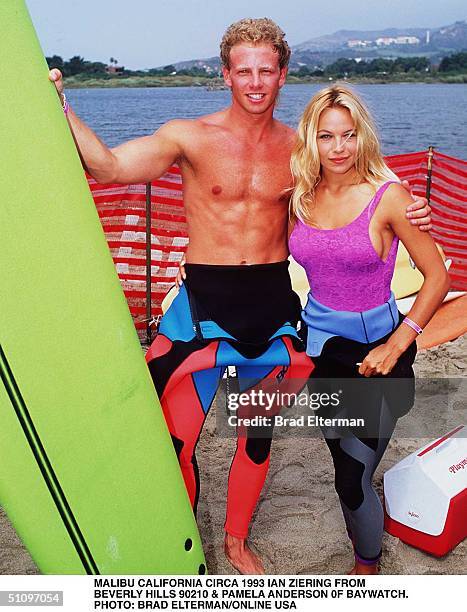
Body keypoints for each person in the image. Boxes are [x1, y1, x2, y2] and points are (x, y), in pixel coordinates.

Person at [49, 18, 432, 574]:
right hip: (203, 306)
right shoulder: (188, 136)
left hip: (272, 311)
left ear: (282, 75)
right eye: (244, 70)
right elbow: (107, 167)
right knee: (177, 445)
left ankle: (234, 542)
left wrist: (410, 208)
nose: (255, 81)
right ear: (225, 74)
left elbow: (365, 180)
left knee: (256, 440)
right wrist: (61, 105)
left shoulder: (301, 150)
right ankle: (181, 549)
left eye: (266, 70)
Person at [288, 84, 450, 574]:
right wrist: (197, 267)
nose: (338, 148)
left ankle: (368, 567)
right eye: (326, 136)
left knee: (352, 476)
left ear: (364, 137)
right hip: (320, 352)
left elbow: (439, 276)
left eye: (349, 135)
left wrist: (397, 344)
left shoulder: (391, 197)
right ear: (310, 141)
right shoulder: (299, 195)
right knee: (344, 463)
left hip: (376, 356)